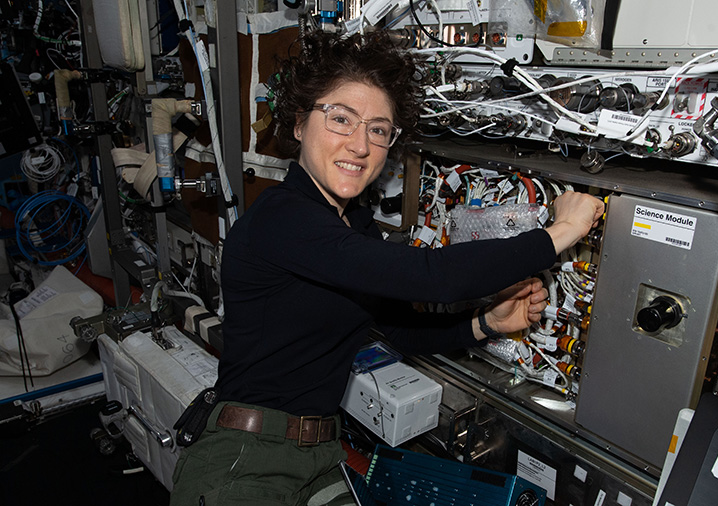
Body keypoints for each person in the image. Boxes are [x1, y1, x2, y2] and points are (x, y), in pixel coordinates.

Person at [169, 29, 604, 506]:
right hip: (245, 460)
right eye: (341, 119)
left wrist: (485, 324)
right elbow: (431, 274)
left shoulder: (352, 221)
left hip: (317, 454)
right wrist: (560, 233)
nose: (360, 145)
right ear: (299, 125)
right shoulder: (282, 217)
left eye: (377, 129)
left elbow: (395, 330)